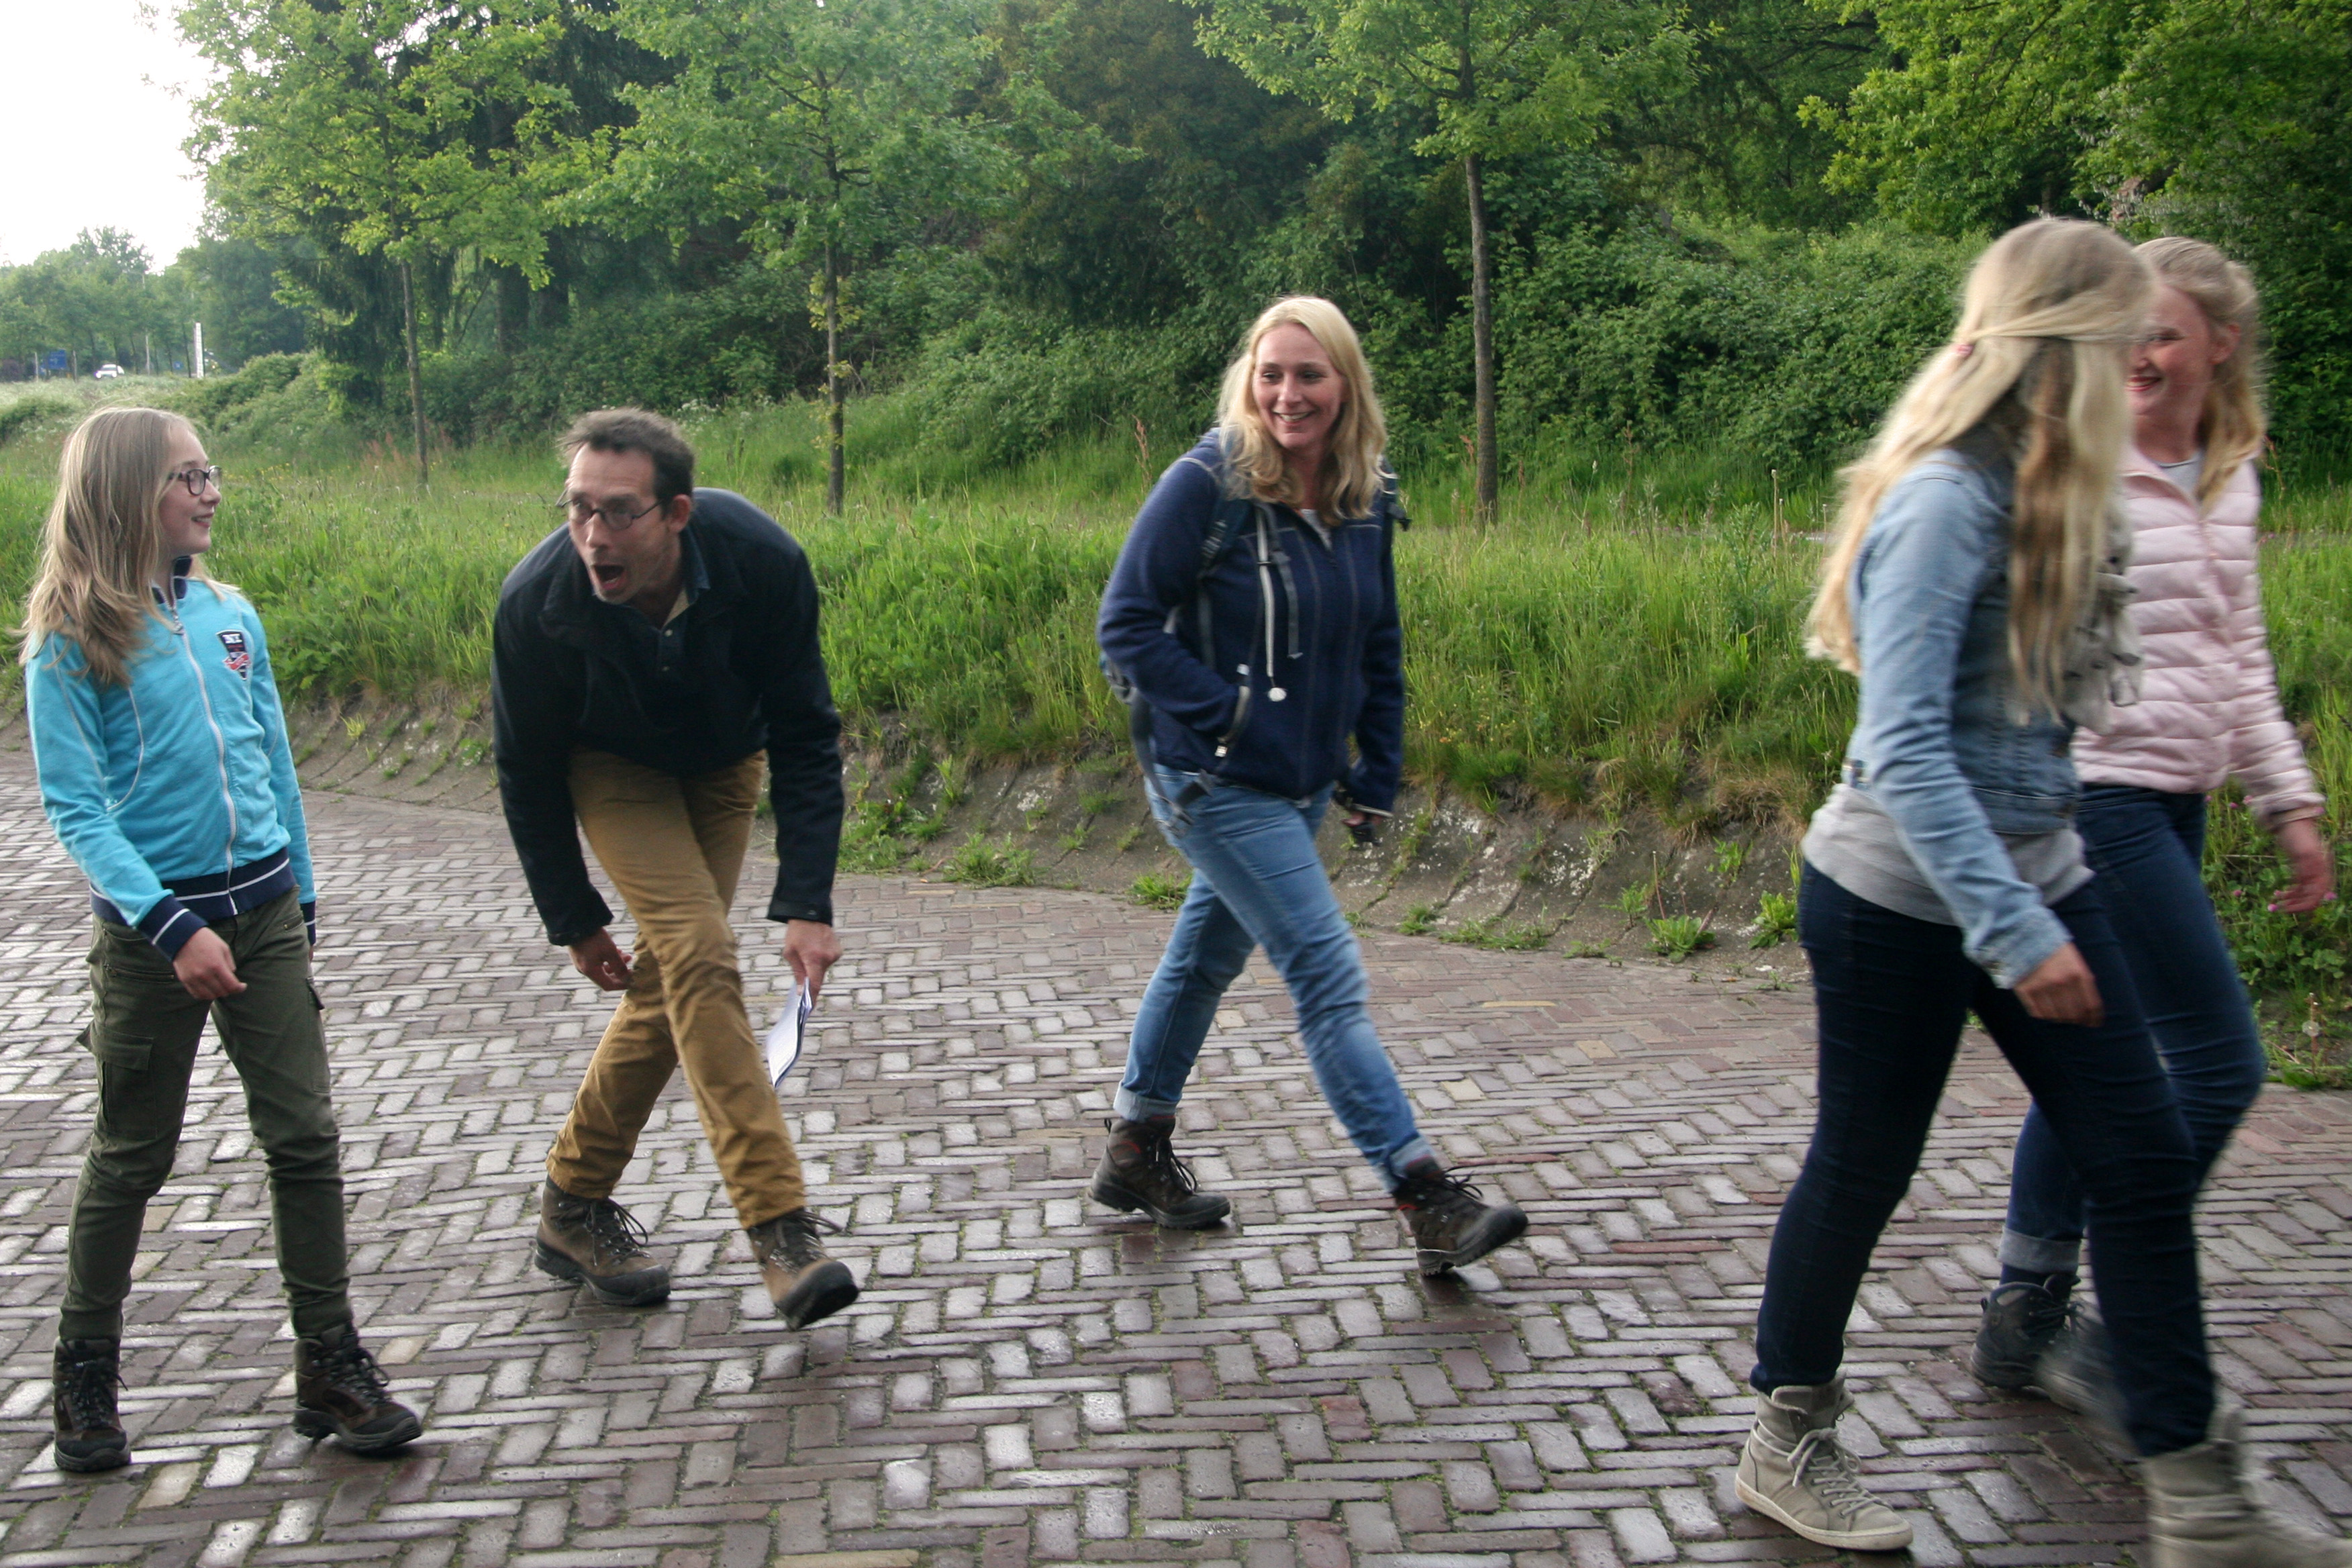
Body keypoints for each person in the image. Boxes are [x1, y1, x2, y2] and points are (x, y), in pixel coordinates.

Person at [1739, 220, 2352, 1567]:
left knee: (2140, 1157)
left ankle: (2200, 1500)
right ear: (2066, 347)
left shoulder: (2067, 489)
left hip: (2038, 872)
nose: (2141, 363)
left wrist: (2066, 884)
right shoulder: (1947, 499)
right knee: (1866, 1163)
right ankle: (1787, 1434)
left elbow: (2056, 732)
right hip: (1894, 896)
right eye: (2125, 338)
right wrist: (2017, 932)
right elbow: (1906, 748)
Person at [1972, 237, 2335, 1416]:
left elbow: (2241, 659)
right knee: (2221, 1062)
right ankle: (2131, 1321)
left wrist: (2288, 801)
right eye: (2127, 332)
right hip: (2101, 793)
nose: (2140, 354)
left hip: (2180, 797)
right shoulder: (2081, 460)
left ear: (2221, 345)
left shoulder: (2229, 475)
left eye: (2165, 334)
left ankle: (2027, 1307)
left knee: (2096, 1058)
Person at [1093, 296, 1527, 1276]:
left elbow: (1378, 638)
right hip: (1209, 776)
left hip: (1298, 780)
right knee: (1327, 975)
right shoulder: (1207, 483)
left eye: (1310, 375)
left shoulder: (1364, 494)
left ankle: (1135, 1148)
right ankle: (1422, 1192)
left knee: (1204, 959)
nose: (1288, 394)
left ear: (1346, 385)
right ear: (1249, 382)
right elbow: (1125, 624)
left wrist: (1378, 763)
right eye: (1272, 374)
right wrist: (1232, 714)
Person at [23, 407, 422, 1473]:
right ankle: (84, 1374)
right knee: (132, 1156)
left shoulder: (231, 614)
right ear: (126, 494)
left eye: (211, 473)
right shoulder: (70, 638)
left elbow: (274, 761)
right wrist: (171, 928)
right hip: (154, 938)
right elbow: (77, 810)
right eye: (186, 477)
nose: (210, 492)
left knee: (305, 1137)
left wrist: (303, 901)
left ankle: (330, 1363)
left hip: (266, 914)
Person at [492, 408, 854, 1330]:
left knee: (674, 980)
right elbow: (526, 769)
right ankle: (779, 1228)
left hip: (725, 762)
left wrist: (808, 900)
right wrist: (574, 917)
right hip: (611, 765)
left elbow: (806, 731)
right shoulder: (538, 601)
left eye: (619, 512)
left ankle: (572, 1204)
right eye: (578, 508)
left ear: (677, 514)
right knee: (697, 951)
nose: (593, 534)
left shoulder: (760, 562)